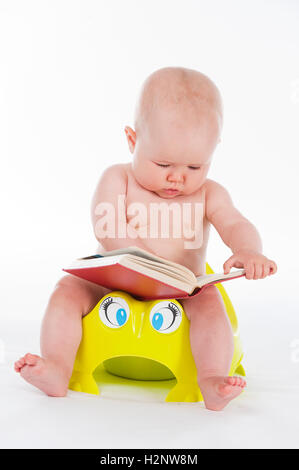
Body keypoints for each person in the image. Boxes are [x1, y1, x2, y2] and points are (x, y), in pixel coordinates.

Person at [14, 67, 277, 411]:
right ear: (133, 140)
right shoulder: (118, 178)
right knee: (67, 291)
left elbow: (235, 222)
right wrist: (141, 262)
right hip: (112, 282)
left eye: (195, 167)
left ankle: (212, 379)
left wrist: (248, 250)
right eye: (163, 163)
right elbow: (106, 226)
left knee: (211, 307)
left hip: (182, 289)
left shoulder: (210, 194)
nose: (177, 178)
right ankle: (57, 367)